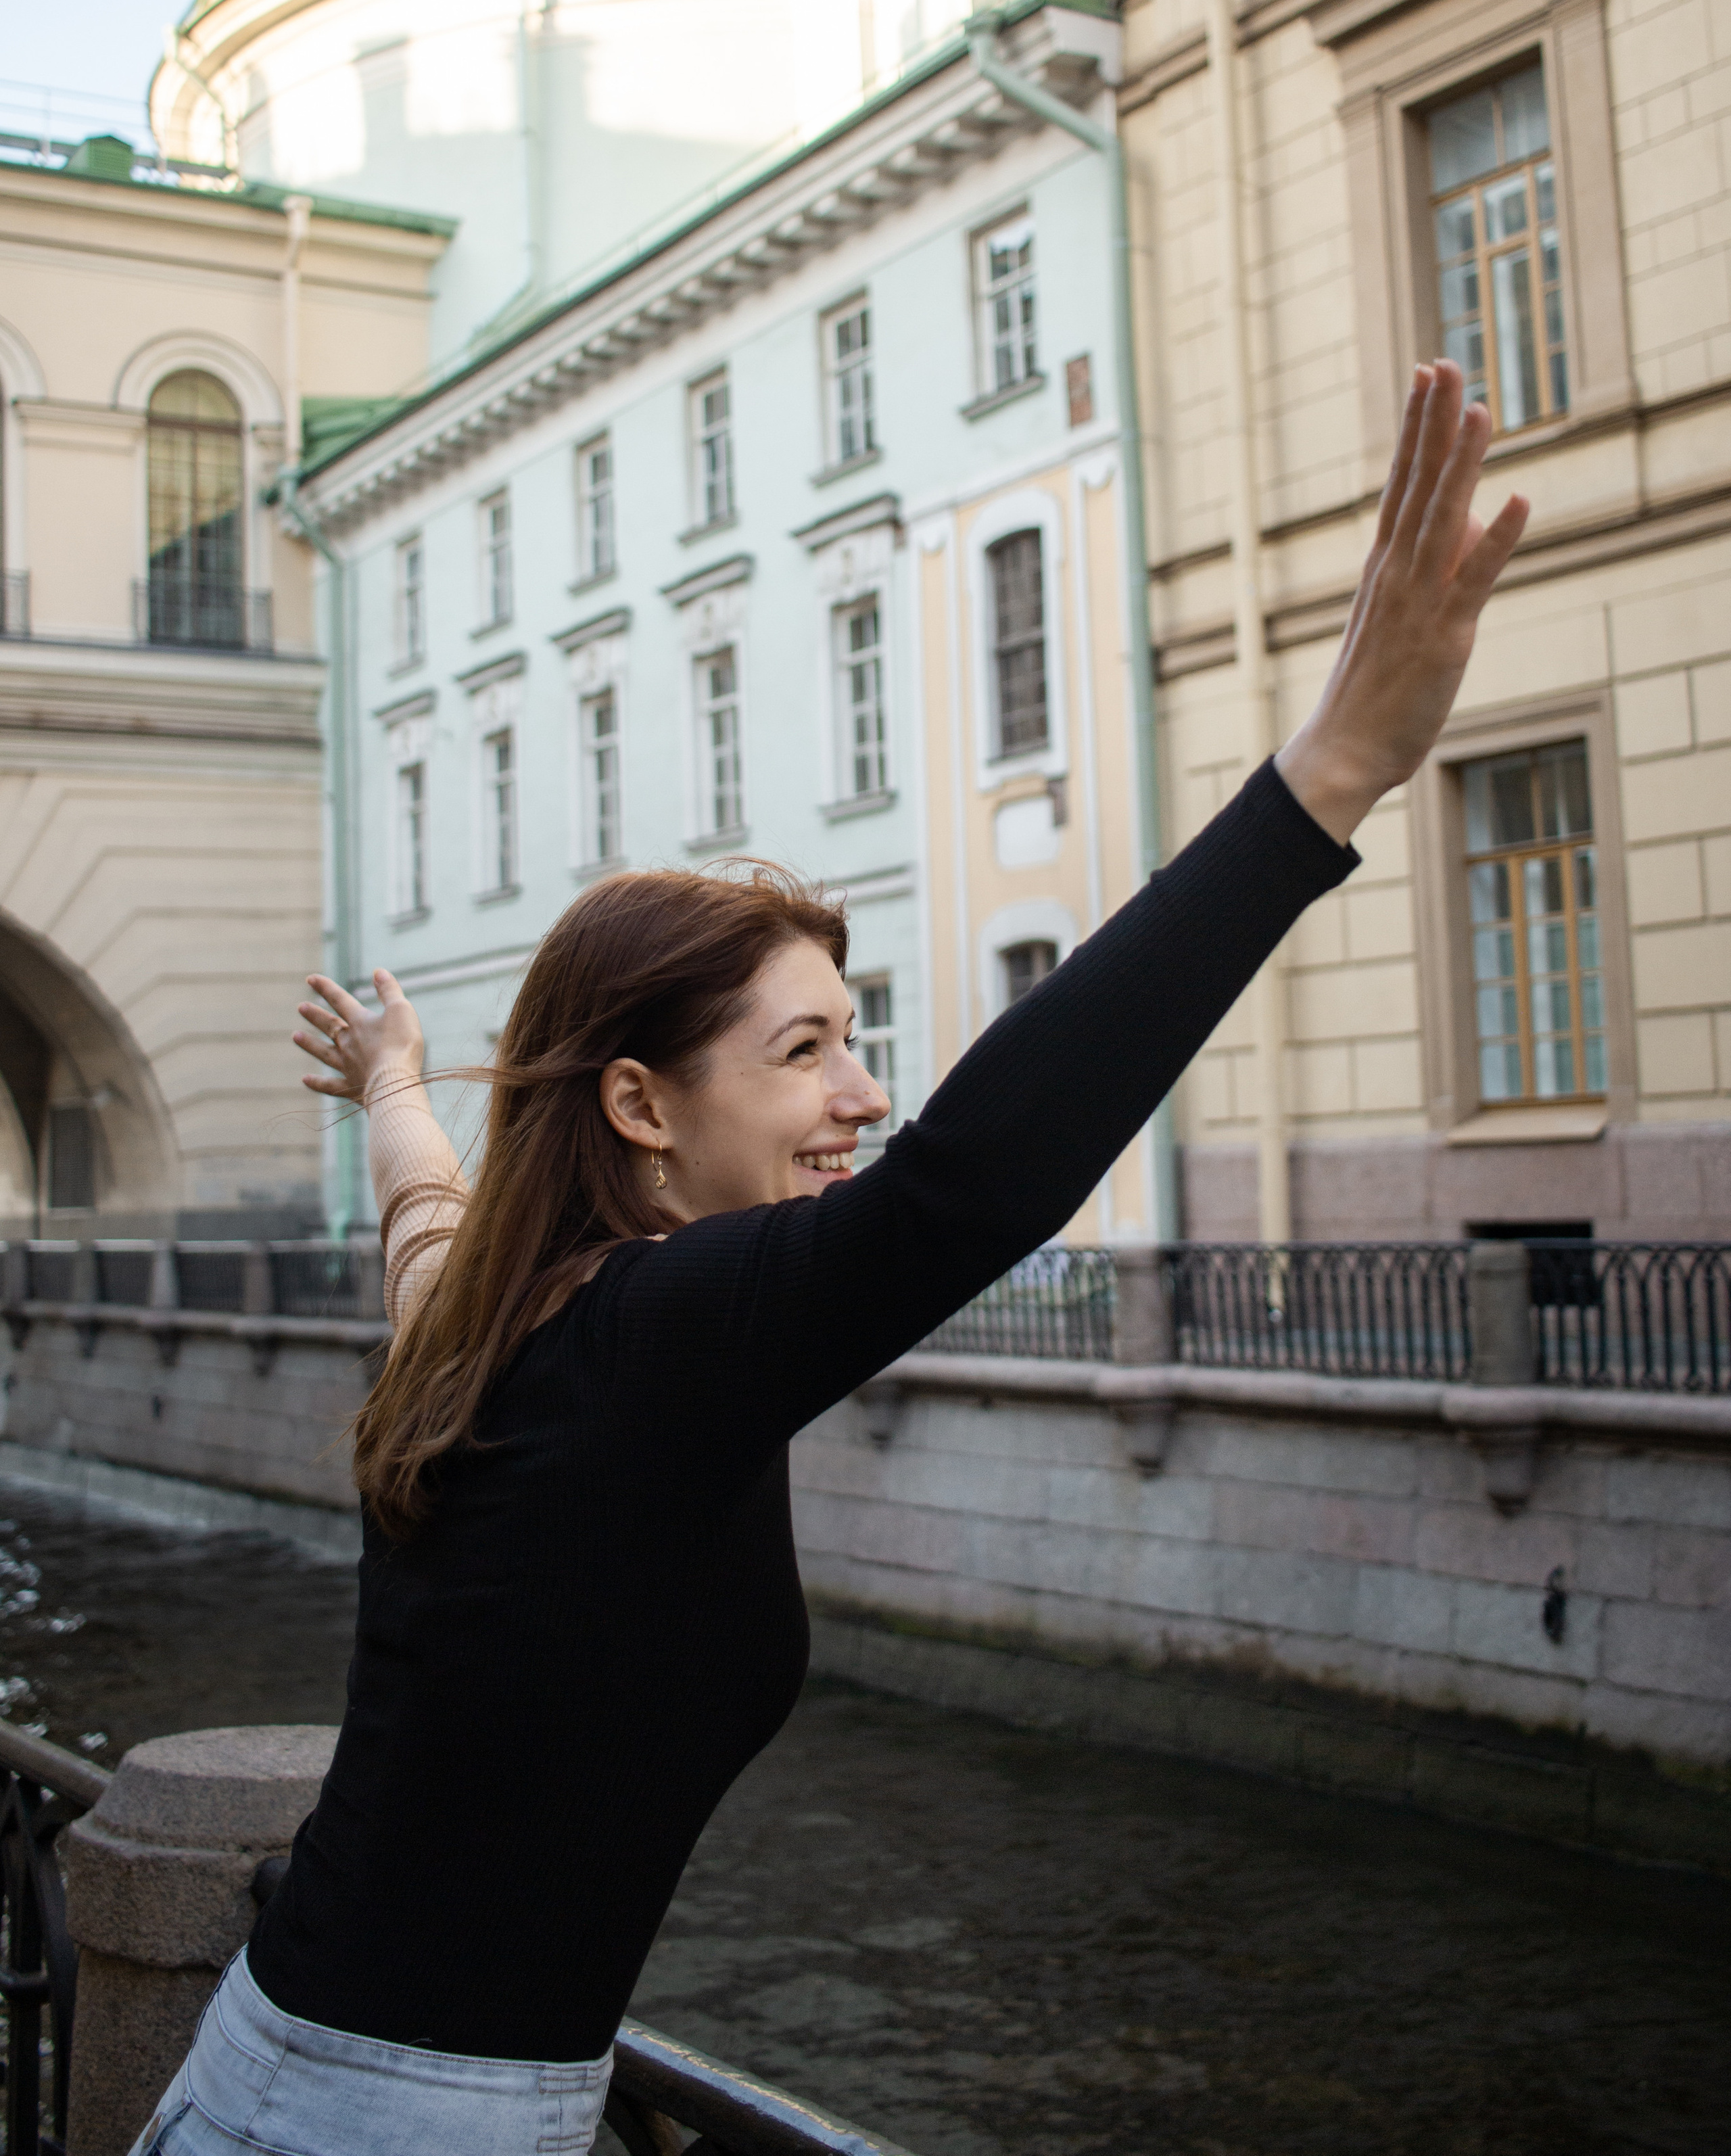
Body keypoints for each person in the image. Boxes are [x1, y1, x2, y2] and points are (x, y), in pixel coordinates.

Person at [133, 363, 1525, 2153]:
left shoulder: (484, 1327)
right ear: (640, 1105)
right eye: (804, 1052)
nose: (862, 1093)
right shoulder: (649, 1336)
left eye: (852, 1041)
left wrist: (398, 1084)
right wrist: (1325, 778)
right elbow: (968, 1189)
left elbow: (425, 1215)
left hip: (296, 2074)